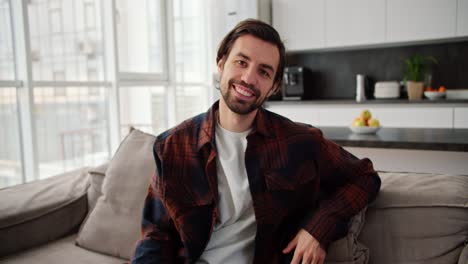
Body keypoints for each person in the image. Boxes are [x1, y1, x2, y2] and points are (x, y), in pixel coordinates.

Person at [131, 19, 381, 264]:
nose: (249, 78)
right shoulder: (172, 146)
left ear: (273, 87)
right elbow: (157, 235)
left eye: (264, 71)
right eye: (241, 62)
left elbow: (365, 177)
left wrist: (318, 228)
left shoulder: (300, 142)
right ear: (221, 64)